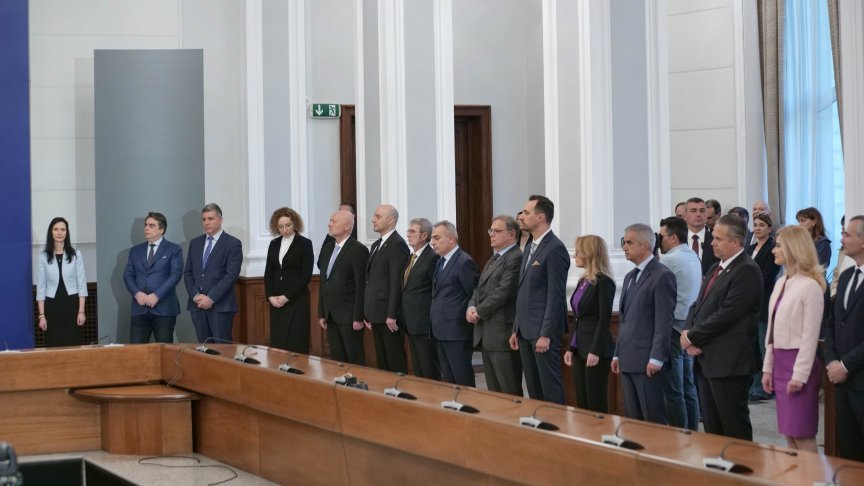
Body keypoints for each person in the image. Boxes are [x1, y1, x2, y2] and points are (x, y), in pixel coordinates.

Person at [681, 214, 762, 440]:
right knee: (712, 426)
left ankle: (739, 464)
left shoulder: (747, 269)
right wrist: (687, 331)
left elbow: (728, 314)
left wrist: (693, 337)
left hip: (730, 361)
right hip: (708, 358)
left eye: (718, 239)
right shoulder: (716, 267)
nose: (712, 243)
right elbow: (697, 304)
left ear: (735, 242)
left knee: (733, 425)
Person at [760, 225, 825, 452]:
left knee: (802, 435)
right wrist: (768, 368)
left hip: (799, 364)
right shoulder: (781, 282)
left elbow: (810, 337)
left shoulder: (810, 287)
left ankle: (812, 473)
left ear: (794, 248)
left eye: (779, 246)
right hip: (780, 362)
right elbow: (772, 331)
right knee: (789, 434)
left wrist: (800, 375)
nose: (773, 250)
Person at [509, 195, 570, 404]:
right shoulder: (529, 247)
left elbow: (555, 295)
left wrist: (546, 334)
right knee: (533, 389)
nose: (522, 217)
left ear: (541, 217)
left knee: (549, 389)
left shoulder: (555, 248)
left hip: (542, 333)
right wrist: (516, 328)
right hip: (526, 331)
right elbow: (524, 291)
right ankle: (538, 423)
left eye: (527, 213)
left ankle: (556, 424)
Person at [612, 224, 676, 424]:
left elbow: (663, 321)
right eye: (624, 242)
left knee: (653, 419)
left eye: (629, 243)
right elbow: (625, 320)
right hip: (628, 357)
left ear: (645, 245)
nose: (624, 247)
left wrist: (656, 358)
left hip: (648, 360)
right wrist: (617, 353)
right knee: (633, 420)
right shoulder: (630, 276)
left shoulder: (662, 275)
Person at [467, 215, 523, 397]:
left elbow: (503, 293)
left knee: (508, 390)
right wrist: (471, 307)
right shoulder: (495, 258)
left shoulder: (515, 257)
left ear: (511, 234)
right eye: (490, 230)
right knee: (494, 393)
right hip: (488, 334)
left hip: (502, 335)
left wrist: (479, 312)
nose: (491, 234)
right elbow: (479, 288)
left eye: (497, 231)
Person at [824, 215, 864, 461]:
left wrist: (845, 365)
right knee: (849, 451)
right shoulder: (848, 275)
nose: (842, 239)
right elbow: (832, 323)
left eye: (847, 235)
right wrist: (831, 361)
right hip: (841, 381)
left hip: (858, 374)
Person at [657, 216, 702, 430]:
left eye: (662, 236)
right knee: (688, 385)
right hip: (689, 325)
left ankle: (678, 434)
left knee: (673, 389)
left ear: (673, 238)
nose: (660, 241)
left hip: (673, 326)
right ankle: (691, 430)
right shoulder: (693, 255)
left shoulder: (668, 260)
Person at [563, 235, 616, 413]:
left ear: (589, 253)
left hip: (596, 350)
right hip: (580, 348)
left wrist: (595, 350)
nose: (575, 256)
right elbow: (578, 318)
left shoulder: (604, 282)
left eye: (578, 252)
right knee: (582, 401)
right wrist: (571, 348)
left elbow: (604, 320)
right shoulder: (583, 280)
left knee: (595, 402)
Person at [183, 203, 243, 342]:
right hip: (197, 305)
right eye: (203, 219)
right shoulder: (195, 243)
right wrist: (195, 295)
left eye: (210, 219)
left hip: (220, 307)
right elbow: (188, 273)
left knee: (222, 350)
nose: (206, 223)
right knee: (204, 349)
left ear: (220, 219)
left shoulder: (232, 243)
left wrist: (211, 298)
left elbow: (231, 275)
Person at [430, 221, 479, 386]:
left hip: (457, 332)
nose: (432, 242)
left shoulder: (464, 261)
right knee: (448, 380)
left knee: (462, 378)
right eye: (432, 238)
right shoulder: (440, 261)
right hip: (440, 330)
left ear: (451, 239)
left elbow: (474, 292)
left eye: (437, 238)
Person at [123, 212, 183, 343]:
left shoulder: (174, 249)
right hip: (139, 309)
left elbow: (175, 275)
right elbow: (128, 275)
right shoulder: (135, 251)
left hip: (164, 309)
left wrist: (156, 295)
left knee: (163, 351)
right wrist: (137, 293)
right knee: (137, 351)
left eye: (151, 225)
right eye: (146, 225)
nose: (146, 228)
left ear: (161, 229)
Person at [318, 210, 369, 365]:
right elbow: (324, 282)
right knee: (337, 359)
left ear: (346, 226)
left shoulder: (358, 250)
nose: (329, 224)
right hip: (331, 314)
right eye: (330, 221)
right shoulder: (328, 248)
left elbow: (361, 286)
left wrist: (358, 316)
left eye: (333, 221)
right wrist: (322, 312)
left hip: (349, 316)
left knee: (355, 358)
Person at [364, 205, 410, 373]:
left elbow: (396, 282)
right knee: (383, 362)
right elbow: (371, 280)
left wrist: (391, 314)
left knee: (394, 360)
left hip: (388, 315)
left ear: (390, 220)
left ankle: (399, 388)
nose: (373, 220)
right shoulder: (376, 244)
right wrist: (367, 312)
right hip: (376, 312)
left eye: (377, 216)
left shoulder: (397, 244)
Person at [264, 207, 313, 353]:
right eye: (280, 227)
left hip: (296, 300)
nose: (284, 230)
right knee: (278, 344)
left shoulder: (305, 243)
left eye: (288, 225)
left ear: (295, 224)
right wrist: (270, 296)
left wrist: (286, 297)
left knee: (296, 343)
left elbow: (306, 276)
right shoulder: (274, 244)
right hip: (276, 301)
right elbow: (268, 273)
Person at [36, 217, 87, 347]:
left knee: (73, 345)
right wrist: (42, 315)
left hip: (72, 306)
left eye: (63, 229)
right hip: (52, 307)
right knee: (53, 346)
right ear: (51, 232)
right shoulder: (43, 256)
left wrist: (81, 312)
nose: (59, 232)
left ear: (67, 232)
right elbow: (41, 288)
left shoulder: (76, 254)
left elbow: (82, 285)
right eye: (56, 229)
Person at [401, 218, 441, 379]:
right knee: (418, 369)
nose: (408, 235)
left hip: (424, 323)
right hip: (410, 322)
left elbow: (435, 291)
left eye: (412, 231)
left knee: (428, 368)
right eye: (408, 231)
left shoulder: (432, 257)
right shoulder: (412, 256)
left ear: (424, 235)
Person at [748, 213, 782, 401]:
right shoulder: (750, 248)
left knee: (763, 345)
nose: (758, 228)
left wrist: (744, 284)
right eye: (755, 225)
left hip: (764, 301)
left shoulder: (772, 248)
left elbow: (767, 277)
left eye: (762, 225)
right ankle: (754, 383)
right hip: (748, 304)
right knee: (752, 347)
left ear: (769, 228)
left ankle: (765, 387)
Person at [683, 197, 718, 275]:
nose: (698, 214)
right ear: (685, 215)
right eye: (693, 211)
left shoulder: (716, 240)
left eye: (702, 211)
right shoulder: (677, 240)